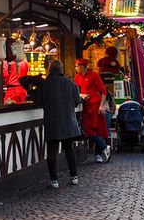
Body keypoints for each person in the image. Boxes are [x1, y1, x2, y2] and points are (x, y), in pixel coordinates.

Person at [35, 60, 81, 188]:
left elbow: (39, 101)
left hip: (52, 122)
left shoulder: (45, 84)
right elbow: (77, 101)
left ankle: (54, 180)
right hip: (68, 121)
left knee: (52, 152)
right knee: (69, 150)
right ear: (61, 69)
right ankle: (74, 176)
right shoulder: (70, 83)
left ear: (49, 69)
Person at [75, 58, 111, 163]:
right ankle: (104, 148)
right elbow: (76, 91)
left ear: (82, 66)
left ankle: (98, 154)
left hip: (96, 106)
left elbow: (103, 91)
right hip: (86, 107)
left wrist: (102, 105)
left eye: (77, 66)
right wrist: (81, 95)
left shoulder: (94, 76)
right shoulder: (77, 77)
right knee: (87, 130)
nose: (76, 68)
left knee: (98, 130)